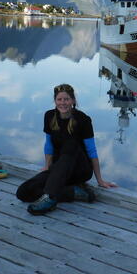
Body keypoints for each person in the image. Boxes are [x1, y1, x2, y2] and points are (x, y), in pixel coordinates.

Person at [16, 83, 117, 215]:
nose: (63, 103)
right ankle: (74, 192)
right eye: (59, 99)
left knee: (70, 144)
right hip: (59, 169)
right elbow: (49, 145)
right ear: (55, 101)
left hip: (80, 169)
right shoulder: (49, 116)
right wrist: (47, 167)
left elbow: (92, 151)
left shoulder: (83, 119)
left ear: (73, 101)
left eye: (66, 99)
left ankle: (50, 198)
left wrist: (100, 180)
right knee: (24, 192)